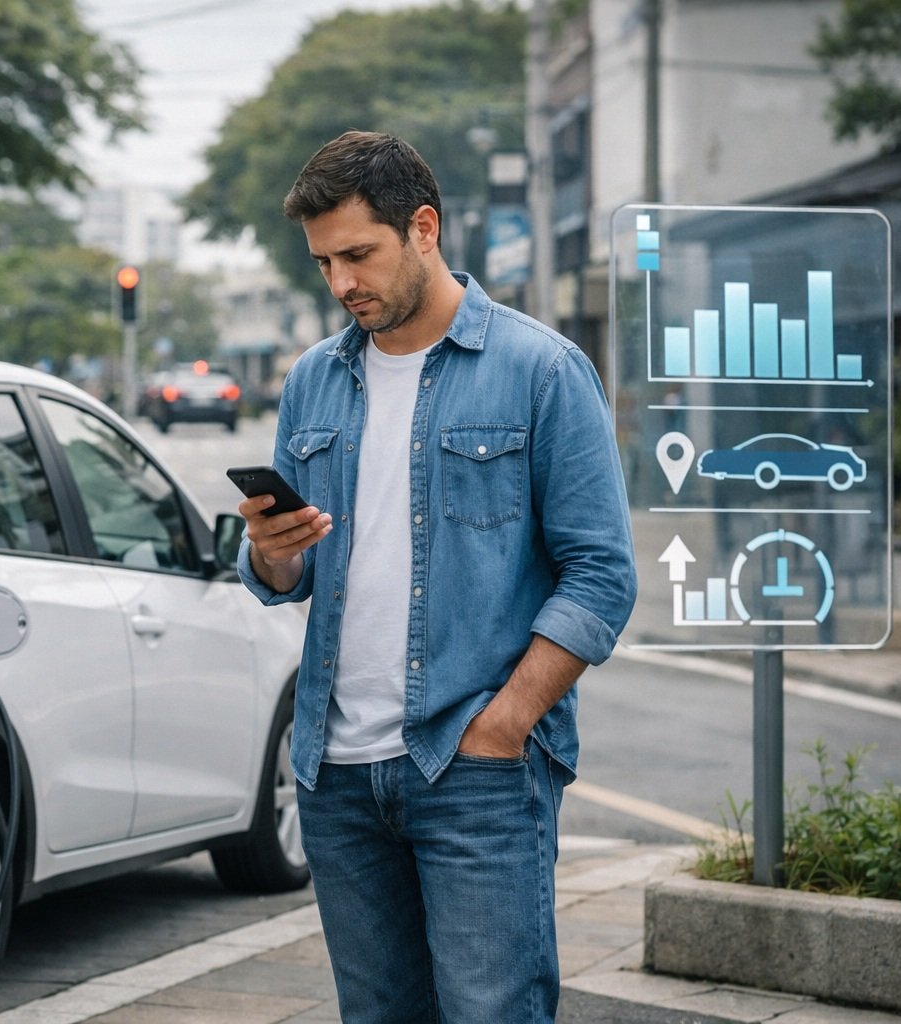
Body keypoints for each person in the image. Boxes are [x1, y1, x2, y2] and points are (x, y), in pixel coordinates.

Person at [237, 130, 637, 1024]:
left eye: (358, 254)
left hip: (476, 772)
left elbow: (602, 574)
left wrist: (506, 725)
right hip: (335, 775)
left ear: (424, 228)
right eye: (324, 262)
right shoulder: (310, 381)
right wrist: (272, 549)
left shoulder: (541, 372)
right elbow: (285, 575)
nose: (341, 283)